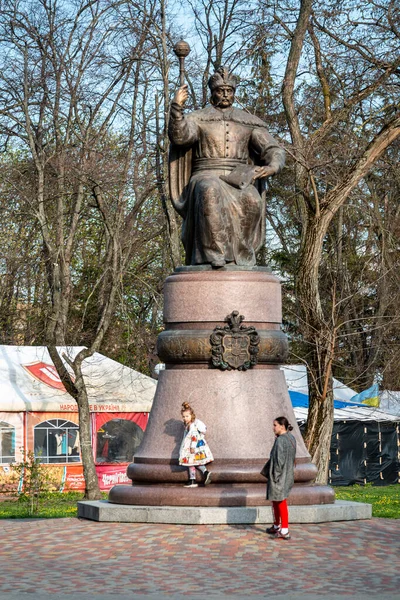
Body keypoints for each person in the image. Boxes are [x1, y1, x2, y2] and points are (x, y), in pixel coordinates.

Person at [168, 66, 285, 267]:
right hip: (205, 173)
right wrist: (177, 108)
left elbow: (272, 148)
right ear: (212, 93)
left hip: (237, 177)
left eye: (228, 91)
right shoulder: (199, 118)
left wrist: (273, 166)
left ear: (234, 93)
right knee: (209, 190)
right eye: (220, 91)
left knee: (252, 199)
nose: (224, 95)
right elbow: (180, 137)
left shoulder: (247, 121)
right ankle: (214, 255)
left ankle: (242, 257)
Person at [265, 416, 296, 540]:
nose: (273, 428)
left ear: (282, 426)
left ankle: (284, 529)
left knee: (280, 501)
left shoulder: (280, 440)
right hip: (288, 473)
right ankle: (277, 525)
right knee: (276, 500)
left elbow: (278, 460)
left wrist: (275, 476)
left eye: (275, 425)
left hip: (279, 475)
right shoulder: (291, 438)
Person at [179, 401, 213, 488]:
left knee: (190, 463)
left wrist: (192, 447)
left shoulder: (192, 425)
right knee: (194, 462)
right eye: (183, 416)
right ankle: (205, 472)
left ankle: (193, 480)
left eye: (187, 416)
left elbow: (194, 436)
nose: (185, 418)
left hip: (192, 447)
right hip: (193, 446)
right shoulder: (189, 425)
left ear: (192, 416)